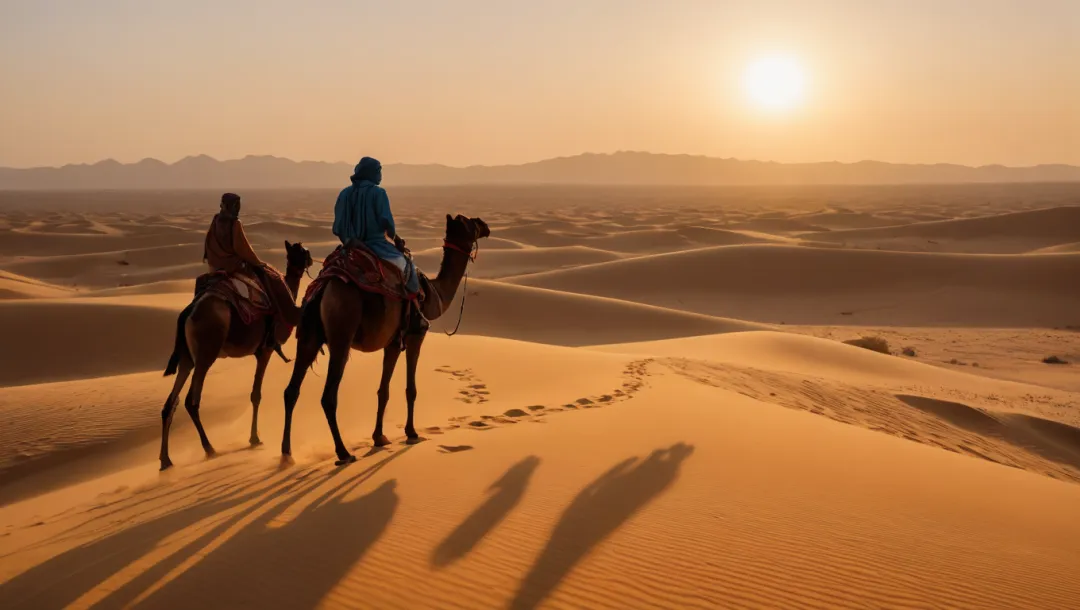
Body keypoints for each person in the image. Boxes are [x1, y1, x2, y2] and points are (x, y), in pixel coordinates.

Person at [202, 192, 297, 342]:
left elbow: (209, 243)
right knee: (272, 278)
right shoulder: (235, 223)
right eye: (235, 205)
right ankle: (276, 323)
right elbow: (243, 248)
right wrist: (258, 263)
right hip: (233, 266)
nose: (237, 208)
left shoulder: (216, 220)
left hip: (215, 267)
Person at [332, 157, 421, 295]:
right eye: (378, 171)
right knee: (407, 268)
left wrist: (348, 240)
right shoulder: (378, 193)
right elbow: (386, 221)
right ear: (370, 173)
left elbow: (338, 227)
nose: (380, 175)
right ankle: (413, 311)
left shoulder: (344, 194)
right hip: (377, 247)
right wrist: (395, 237)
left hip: (350, 248)